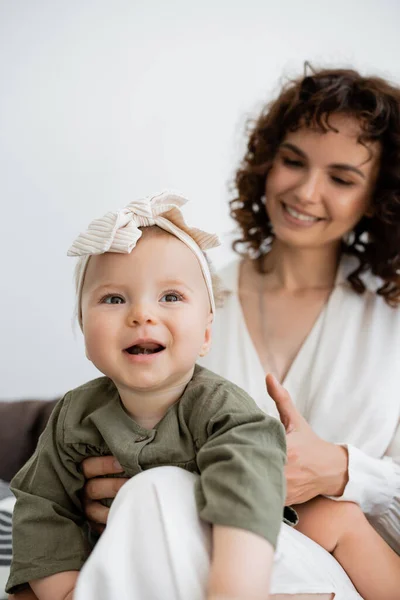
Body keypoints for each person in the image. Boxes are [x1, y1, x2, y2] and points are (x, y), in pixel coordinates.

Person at [9, 66, 400, 600]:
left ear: (378, 195)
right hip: (171, 554)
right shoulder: (184, 302)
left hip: (334, 567)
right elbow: (66, 485)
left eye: (342, 177)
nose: (307, 191)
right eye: (293, 161)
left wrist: (345, 471)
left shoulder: (391, 319)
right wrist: (114, 492)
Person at [6, 192, 288, 600]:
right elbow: (42, 505)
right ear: (83, 328)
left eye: (170, 297)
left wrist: (232, 587)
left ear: (207, 333)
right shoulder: (75, 416)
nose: (142, 314)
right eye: (114, 299)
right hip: (118, 566)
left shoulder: (221, 409)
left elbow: (248, 483)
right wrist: (64, 589)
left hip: (220, 559)